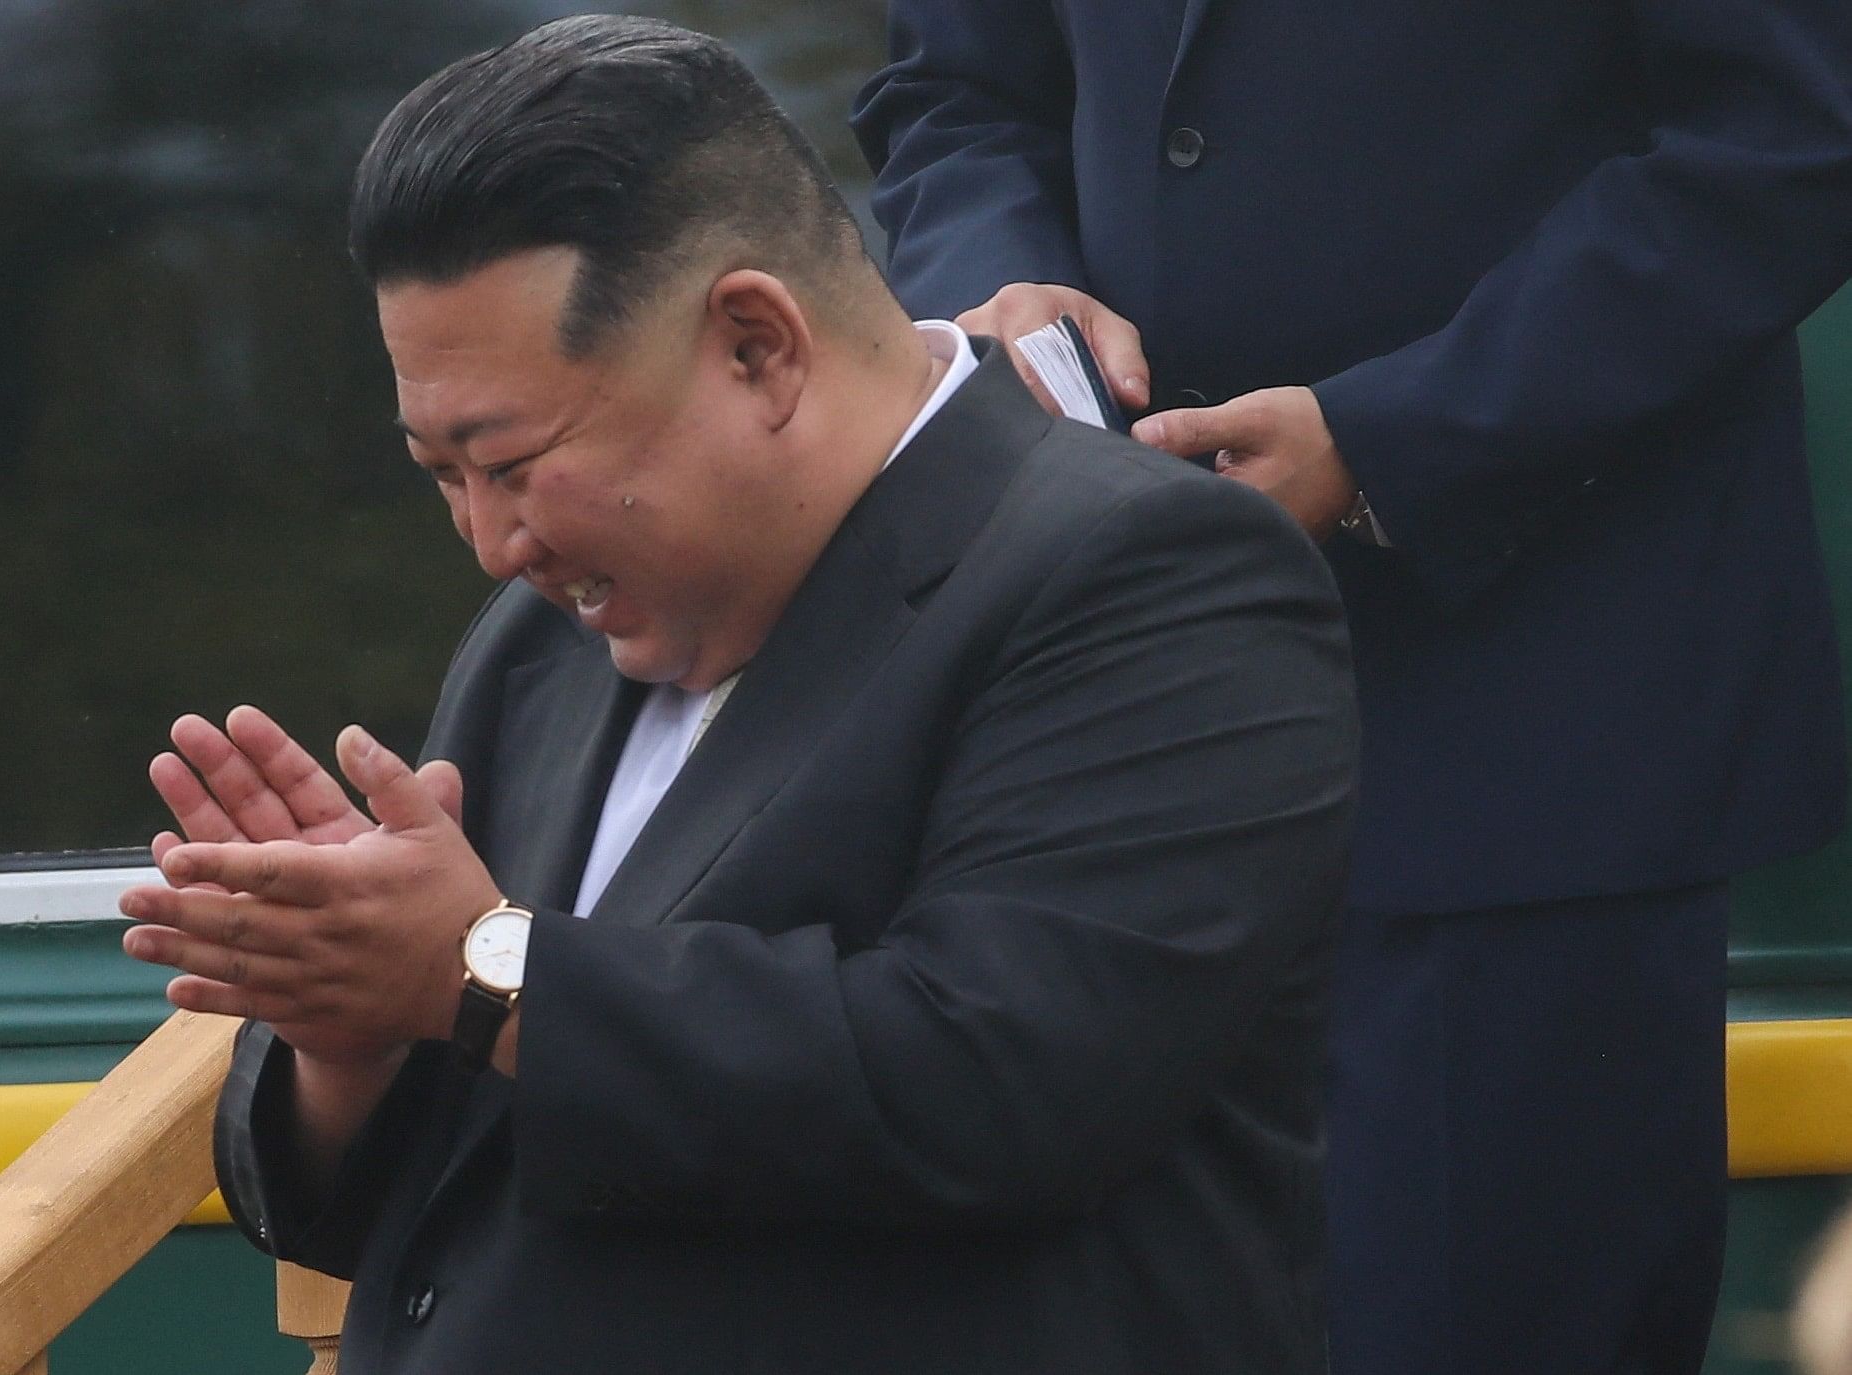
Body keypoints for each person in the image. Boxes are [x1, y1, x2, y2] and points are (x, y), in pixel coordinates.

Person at [119, 16, 1356, 1373]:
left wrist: (471, 970)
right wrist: (346, 1029)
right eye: (438, 474)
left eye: (513, 461)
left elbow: (994, 1088)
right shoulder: (535, 643)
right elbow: (397, 1203)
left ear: (756, 345)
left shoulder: (1148, 573)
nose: (489, 541)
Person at [851, 3, 1852, 1371]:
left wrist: (1397, 441)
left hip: (1526, 747)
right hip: (1092, 736)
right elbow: (953, 92)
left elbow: (1792, 132)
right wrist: (1003, 288)